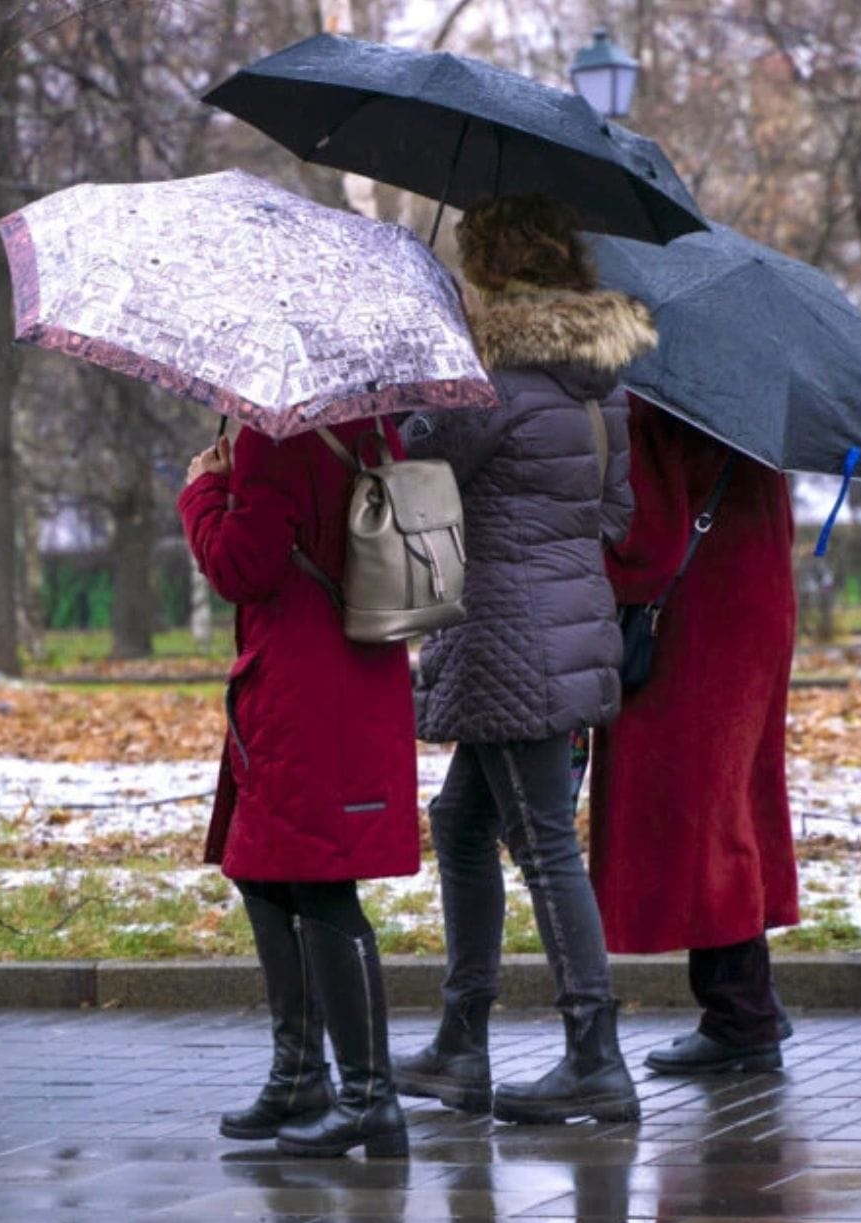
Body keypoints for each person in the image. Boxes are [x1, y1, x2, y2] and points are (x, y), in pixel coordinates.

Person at [393, 193, 657, 1124]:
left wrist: (422, 369)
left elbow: (415, 468)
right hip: (569, 625)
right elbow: (614, 520)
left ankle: (595, 1054)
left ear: (495, 270)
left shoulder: (491, 382)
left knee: (543, 845)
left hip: (505, 633)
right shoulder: (603, 387)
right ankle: (462, 1044)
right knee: (464, 824)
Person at [178, 416, 419, 1157]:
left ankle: (369, 1095)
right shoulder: (375, 422)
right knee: (263, 869)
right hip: (349, 673)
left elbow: (239, 567)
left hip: (304, 686)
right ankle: (299, 1075)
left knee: (317, 881)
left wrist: (203, 492)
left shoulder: (273, 437)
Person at [589, 396, 799, 1074]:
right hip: (752, 601)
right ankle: (745, 1000)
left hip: (691, 627)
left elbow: (647, 549)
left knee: (698, 817)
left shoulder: (663, 405)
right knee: (733, 804)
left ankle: (742, 1015)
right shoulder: (752, 406)